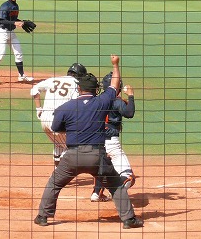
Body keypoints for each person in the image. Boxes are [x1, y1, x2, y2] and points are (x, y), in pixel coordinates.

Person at [33, 54, 144, 229]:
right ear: (95, 90)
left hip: (72, 156)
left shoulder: (66, 107)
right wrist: (115, 65)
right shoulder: (101, 102)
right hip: (97, 157)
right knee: (116, 186)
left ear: (79, 90)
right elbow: (114, 86)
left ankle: (42, 216)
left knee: (54, 184)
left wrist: (72, 129)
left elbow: (55, 127)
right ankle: (129, 220)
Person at [90, 72, 136, 202]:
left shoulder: (96, 101)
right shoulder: (116, 101)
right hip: (112, 143)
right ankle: (116, 192)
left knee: (103, 167)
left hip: (95, 142)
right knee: (128, 176)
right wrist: (131, 96)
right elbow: (129, 113)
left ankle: (96, 193)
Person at [30, 63, 87, 166]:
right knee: (73, 145)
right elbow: (76, 103)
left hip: (44, 119)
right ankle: (60, 174)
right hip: (59, 120)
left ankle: (57, 173)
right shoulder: (76, 84)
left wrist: (38, 108)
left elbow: (35, 89)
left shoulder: (53, 80)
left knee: (58, 144)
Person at [0, 0, 34, 84]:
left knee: (18, 53)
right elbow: (0, 20)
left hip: (11, 32)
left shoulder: (16, 6)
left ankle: (21, 75)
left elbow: (12, 19)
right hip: (2, 32)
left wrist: (21, 22)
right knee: (0, 54)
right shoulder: (5, 6)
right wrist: (15, 23)